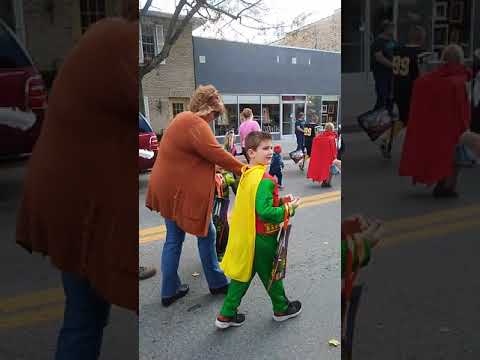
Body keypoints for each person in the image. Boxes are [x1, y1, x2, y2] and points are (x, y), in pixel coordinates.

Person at [15, 2, 138, 359]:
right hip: (81, 206)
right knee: (86, 314)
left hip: (72, 200)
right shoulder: (117, 41)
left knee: (83, 314)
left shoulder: (104, 36)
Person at [146, 85, 246, 307]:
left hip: (165, 189)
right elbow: (216, 153)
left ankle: (168, 291)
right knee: (207, 233)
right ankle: (217, 283)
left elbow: (195, 156)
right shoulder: (196, 123)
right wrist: (243, 169)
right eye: (214, 114)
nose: (213, 119)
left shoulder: (182, 118)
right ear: (207, 108)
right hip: (178, 193)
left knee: (173, 239)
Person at [215, 131, 302, 329]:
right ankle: (281, 309)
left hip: (248, 237)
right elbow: (264, 212)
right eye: (265, 148)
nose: (270, 152)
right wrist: (289, 208)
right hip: (263, 238)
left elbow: (255, 204)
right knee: (272, 273)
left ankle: (226, 314)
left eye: (271, 147)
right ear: (251, 152)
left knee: (242, 277)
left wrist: (281, 200)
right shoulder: (265, 179)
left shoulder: (247, 174)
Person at [399, 44, 471, 197]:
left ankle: (444, 185)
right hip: (454, 126)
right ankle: (447, 187)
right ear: (459, 59)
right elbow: (463, 106)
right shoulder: (460, 79)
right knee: (454, 159)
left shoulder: (433, 78)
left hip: (438, 126)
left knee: (443, 157)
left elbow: (421, 88)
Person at [379, 25, 427, 158]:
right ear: (421, 38)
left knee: (403, 118)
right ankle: (415, 148)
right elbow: (423, 74)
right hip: (413, 91)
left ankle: (387, 139)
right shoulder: (421, 53)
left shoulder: (398, 50)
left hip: (398, 89)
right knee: (417, 120)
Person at [370, 19, 397, 113]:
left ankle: (388, 118)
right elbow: (379, 57)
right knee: (382, 96)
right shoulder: (378, 42)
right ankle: (374, 120)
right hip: (382, 73)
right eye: (391, 28)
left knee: (391, 97)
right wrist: (393, 65)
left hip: (392, 74)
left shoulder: (392, 40)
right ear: (385, 29)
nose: (393, 29)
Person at [307, 122, 338, 188]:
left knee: (324, 169)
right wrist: (334, 157)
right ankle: (327, 183)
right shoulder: (331, 138)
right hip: (329, 157)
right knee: (330, 170)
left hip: (322, 157)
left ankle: (325, 181)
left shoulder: (320, 137)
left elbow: (315, 142)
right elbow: (333, 149)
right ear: (332, 129)